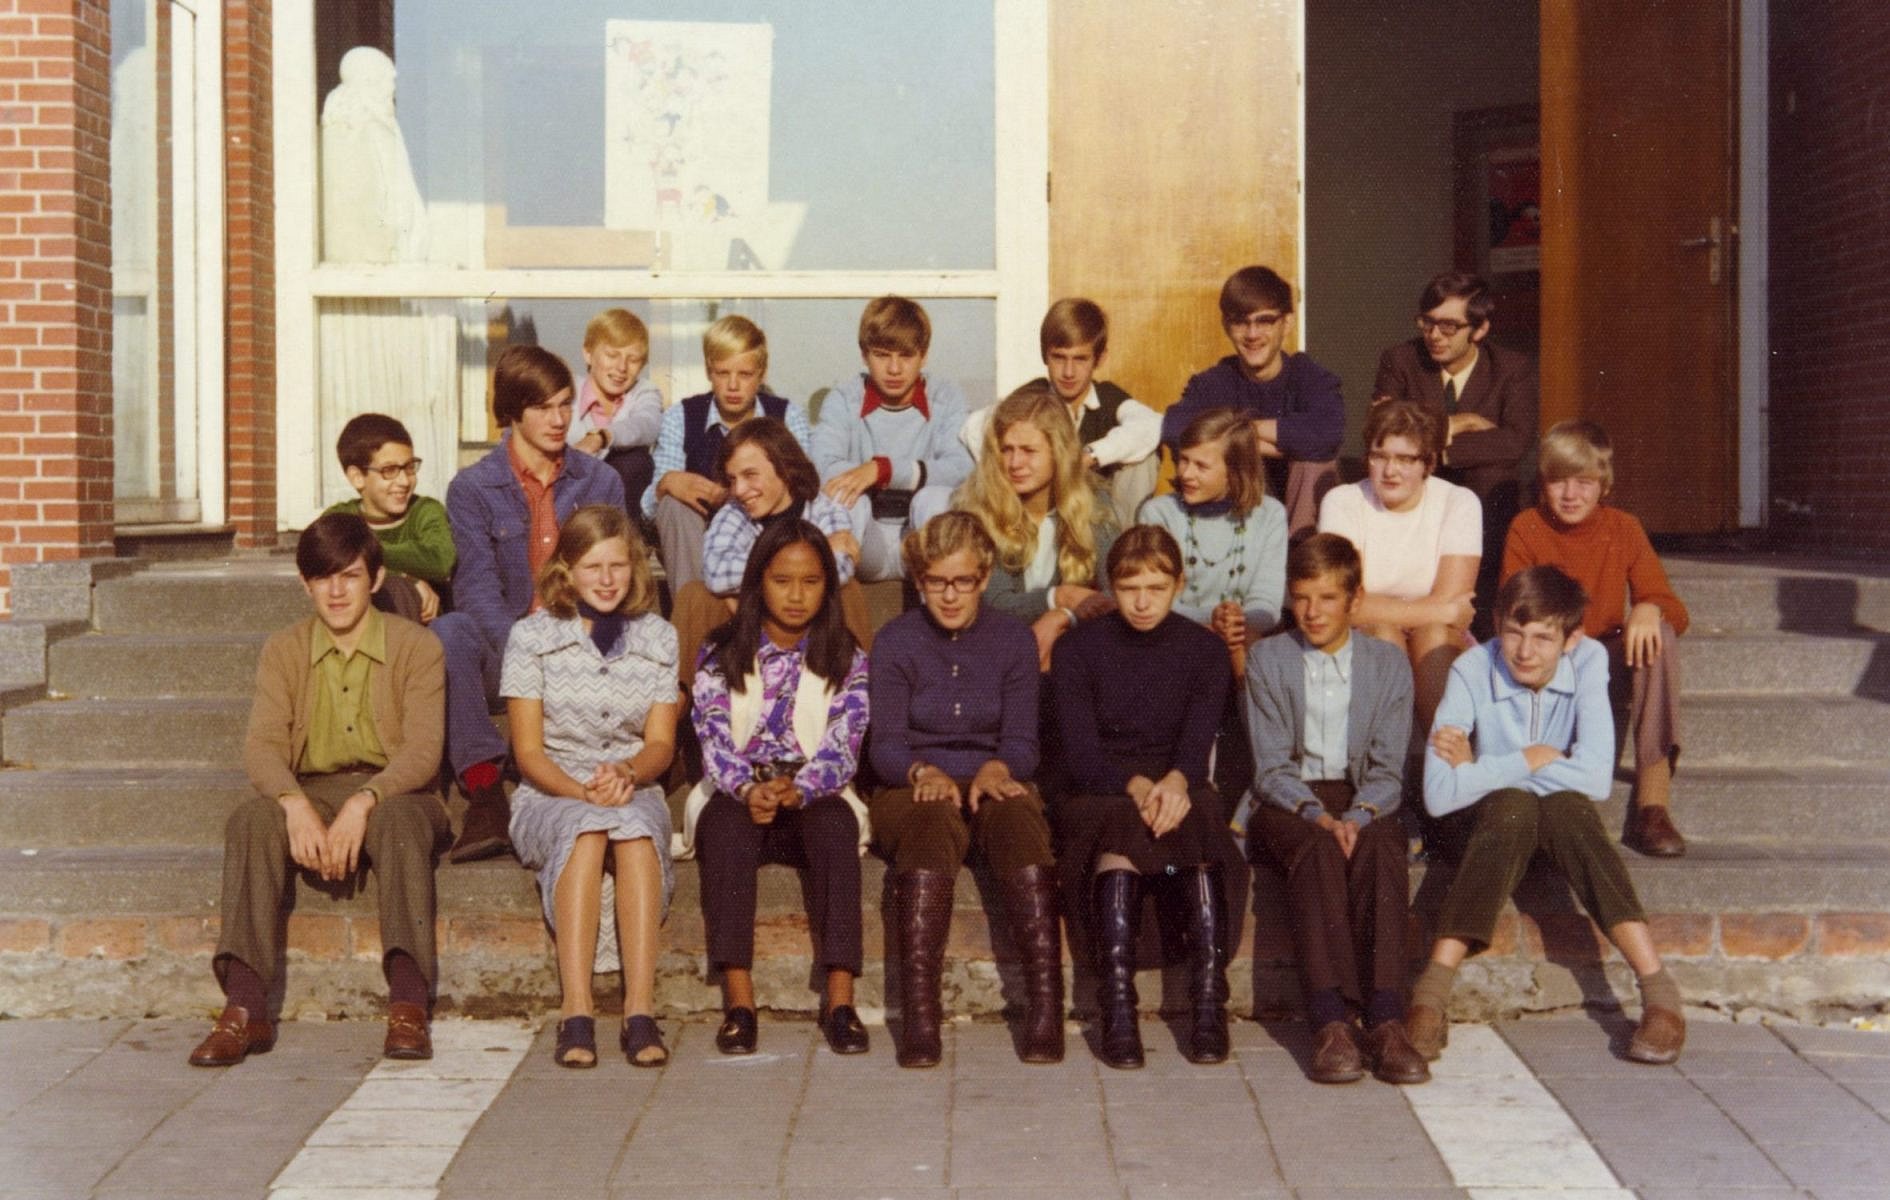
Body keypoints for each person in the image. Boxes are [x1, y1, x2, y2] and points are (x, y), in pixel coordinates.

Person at [189, 514, 448, 1067]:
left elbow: (423, 751)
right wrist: (292, 803)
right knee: (250, 821)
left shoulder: (416, 647)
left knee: (399, 825)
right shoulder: (284, 651)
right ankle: (244, 1007)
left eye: (349, 576)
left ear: (375, 579)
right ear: (304, 583)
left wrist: (366, 800)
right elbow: (262, 746)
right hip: (314, 787)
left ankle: (408, 1002)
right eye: (321, 578)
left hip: (399, 792)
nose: (335, 591)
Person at [1410, 565, 1685, 1067]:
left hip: (1559, 823)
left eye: (1542, 637)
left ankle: (1659, 992)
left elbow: (1597, 779)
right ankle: (1431, 995)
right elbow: (1438, 795)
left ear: (1572, 639)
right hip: (1487, 826)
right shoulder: (1472, 669)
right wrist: (1528, 760)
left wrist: (1479, 766)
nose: (1524, 651)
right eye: (1513, 633)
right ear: (1495, 624)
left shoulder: (1589, 661)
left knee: (1566, 809)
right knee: (1515, 805)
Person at [1049, 526, 1250, 1069]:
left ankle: (1209, 1001)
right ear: (1110, 585)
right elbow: (1079, 751)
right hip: (1099, 788)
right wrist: (1138, 785)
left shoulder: (1204, 650)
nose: (1142, 601)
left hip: (1174, 784)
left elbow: (1198, 739)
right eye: (1129, 586)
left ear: (1179, 585)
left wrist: (1178, 781)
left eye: (1156, 587)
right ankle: (1118, 1005)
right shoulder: (1077, 650)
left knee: (1202, 815)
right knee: (1120, 820)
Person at [867, 513, 1062, 1068]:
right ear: (919, 579)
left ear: (983, 579)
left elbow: (1024, 741)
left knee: (1021, 820)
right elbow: (885, 745)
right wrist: (919, 773)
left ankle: (1047, 1007)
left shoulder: (1011, 642)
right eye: (935, 582)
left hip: (989, 776)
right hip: (913, 783)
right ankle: (922, 1019)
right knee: (929, 825)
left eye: (962, 582)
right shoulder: (897, 640)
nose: (949, 595)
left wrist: (1000, 768)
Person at [676, 520, 873, 1057]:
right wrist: (746, 788)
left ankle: (839, 1000)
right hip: (741, 793)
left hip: (813, 793)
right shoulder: (721, 651)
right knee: (724, 831)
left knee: (836, 827)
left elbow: (844, 741)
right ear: (758, 581)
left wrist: (800, 789)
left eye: (810, 582)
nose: (795, 595)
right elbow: (713, 736)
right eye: (782, 580)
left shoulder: (846, 655)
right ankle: (739, 1001)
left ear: (826, 588)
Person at [1244, 534, 1427, 1085]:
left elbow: (1388, 770)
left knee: (1381, 849)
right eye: (1301, 598)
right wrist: (1318, 815)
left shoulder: (1387, 664)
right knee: (1318, 849)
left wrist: (1360, 814)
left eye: (1327, 598)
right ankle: (1331, 1022)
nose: (1312, 612)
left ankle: (1388, 1018)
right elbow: (1270, 765)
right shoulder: (1268, 658)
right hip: (1288, 797)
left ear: (1354, 599)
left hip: (1362, 795)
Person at [500, 506, 679, 1069]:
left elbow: (660, 744)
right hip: (552, 788)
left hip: (629, 783)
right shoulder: (531, 638)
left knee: (632, 833)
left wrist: (627, 773)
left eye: (618, 566)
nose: (606, 579)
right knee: (586, 830)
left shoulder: (658, 637)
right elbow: (528, 752)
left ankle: (639, 1011)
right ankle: (575, 1010)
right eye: (592, 566)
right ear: (566, 572)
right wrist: (582, 792)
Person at [433, 345, 625, 863]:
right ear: (511, 412)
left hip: (580, 650)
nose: (559, 419)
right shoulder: (472, 488)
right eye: (542, 407)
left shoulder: (600, 481)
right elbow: (476, 589)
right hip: (509, 648)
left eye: (565, 404)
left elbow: (614, 581)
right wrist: (528, 648)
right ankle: (484, 791)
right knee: (451, 631)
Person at [1502, 421, 1691, 857]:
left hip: (1605, 655)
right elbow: (1516, 610)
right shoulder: (1527, 527)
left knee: (1659, 633)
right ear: (1543, 484)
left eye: (1584, 482)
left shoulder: (1623, 527)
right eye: (1558, 481)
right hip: (1552, 655)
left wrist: (1650, 606)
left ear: (1604, 486)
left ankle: (1653, 804)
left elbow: (1676, 611)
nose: (1571, 494)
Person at [1372, 272, 1538, 635]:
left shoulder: (1512, 369)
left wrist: (1434, 448)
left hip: (1479, 492)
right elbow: (1385, 426)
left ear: (1479, 330)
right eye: (1427, 322)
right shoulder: (1400, 359)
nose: (1434, 335)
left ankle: (1479, 626)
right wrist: (1454, 423)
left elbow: (1515, 442)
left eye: (1449, 326)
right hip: (1414, 486)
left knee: (1495, 477)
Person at [1317, 399, 1480, 737]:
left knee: (1433, 636)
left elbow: (1453, 605)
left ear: (1429, 463)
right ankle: (1384, 773)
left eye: (1406, 459)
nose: (1390, 471)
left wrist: (1377, 606)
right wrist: (1440, 609)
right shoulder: (1343, 501)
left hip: (1437, 638)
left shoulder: (1459, 502)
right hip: (1365, 636)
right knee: (1383, 637)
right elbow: (1342, 602)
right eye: (1380, 456)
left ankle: (1445, 768)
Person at [669, 418, 872, 690]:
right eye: (732, 479)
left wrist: (749, 589)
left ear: (785, 469)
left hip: (809, 625)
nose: (739, 490)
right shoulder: (733, 513)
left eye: (750, 475)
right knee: (696, 595)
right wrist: (810, 549)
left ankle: (858, 697)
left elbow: (842, 568)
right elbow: (716, 574)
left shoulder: (824, 509)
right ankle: (680, 707)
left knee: (848, 592)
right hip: (746, 632)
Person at [947, 299, 1162, 531]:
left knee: (1145, 460)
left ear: (1099, 359)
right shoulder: (1034, 396)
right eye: (1059, 357)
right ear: (1044, 356)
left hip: (1098, 513)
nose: (1068, 372)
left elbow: (1153, 425)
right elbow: (974, 427)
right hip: (1038, 509)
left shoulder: (1107, 397)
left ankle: (1125, 551)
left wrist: (1088, 456)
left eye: (1080, 359)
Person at [1162, 266, 1344, 537]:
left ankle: (1298, 564)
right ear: (1226, 326)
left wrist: (1238, 434)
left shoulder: (1308, 376)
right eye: (1240, 322)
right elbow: (1174, 426)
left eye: (1265, 321)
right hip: (1234, 511)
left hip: (1299, 515)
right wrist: (1266, 445)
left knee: (1312, 461)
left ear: (1287, 323)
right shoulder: (1215, 381)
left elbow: (1328, 433)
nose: (1252, 334)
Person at [954, 381, 1119, 672]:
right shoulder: (981, 507)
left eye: (1029, 451)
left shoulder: (1094, 504)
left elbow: (1117, 594)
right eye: (1006, 450)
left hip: (1071, 645)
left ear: (1058, 452)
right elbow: (993, 602)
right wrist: (1059, 597)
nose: (1015, 463)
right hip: (997, 647)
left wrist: (1062, 616)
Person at [641, 315, 813, 590]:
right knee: (673, 503)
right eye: (723, 373)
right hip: (698, 544)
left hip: (768, 536)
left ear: (762, 373)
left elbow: (805, 489)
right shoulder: (682, 417)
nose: (733, 386)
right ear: (709, 371)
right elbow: (650, 510)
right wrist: (665, 484)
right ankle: (696, 609)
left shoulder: (786, 415)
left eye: (745, 374)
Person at [812, 295, 974, 580]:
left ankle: (943, 610)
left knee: (935, 498)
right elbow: (823, 467)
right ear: (864, 355)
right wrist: (864, 478)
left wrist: (882, 470)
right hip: (866, 541)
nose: (895, 369)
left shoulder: (946, 397)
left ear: (923, 355)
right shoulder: (844, 398)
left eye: (906, 356)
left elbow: (961, 469)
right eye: (882, 355)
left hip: (920, 540)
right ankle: (830, 605)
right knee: (845, 497)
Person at [1137, 406, 1288, 677]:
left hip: (1242, 640)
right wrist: (1211, 621)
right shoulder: (1159, 513)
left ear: (1234, 471)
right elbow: (1155, 600)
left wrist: (1233, 623)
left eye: (1201, 466)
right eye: (1183, 460)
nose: (1186, 474)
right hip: (1174, 638)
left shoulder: (1270, 515)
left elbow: (1267, 605)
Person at [326, 412, 453, 624]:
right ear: (358, 477)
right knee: (393, 587)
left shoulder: (425, 511)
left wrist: (366, 554)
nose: (404, 480)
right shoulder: (341, 518)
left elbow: (440, 560)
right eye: (390, 470)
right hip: (362, 628)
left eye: (409, 467)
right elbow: (321, 560)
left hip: (427, 629)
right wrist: (407, 577)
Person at [567, 308, 665, 521]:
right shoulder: (566, 391)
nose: (622, 367)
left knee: (635, 460)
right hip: (567, 504)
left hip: (622, 511)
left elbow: (646, 425)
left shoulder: (645, 392)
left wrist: (601, 437)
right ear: (588, 353)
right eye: (612, 355)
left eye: (633, 359)